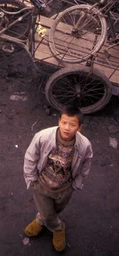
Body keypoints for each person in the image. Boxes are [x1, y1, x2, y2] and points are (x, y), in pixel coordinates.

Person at [23, 107, 93, 253]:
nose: (67, 127)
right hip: (42, 185)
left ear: (79, 128)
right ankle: (58, 229)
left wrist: (76, 184)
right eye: (64, 122)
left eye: (72, 124)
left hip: (65, 189)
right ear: (59, 121)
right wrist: (32, 179)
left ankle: (41, 221)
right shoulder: (43, 136)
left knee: (54, 210)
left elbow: (87, 163)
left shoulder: (84, 144)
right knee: (49, 214)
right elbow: (30, 157)